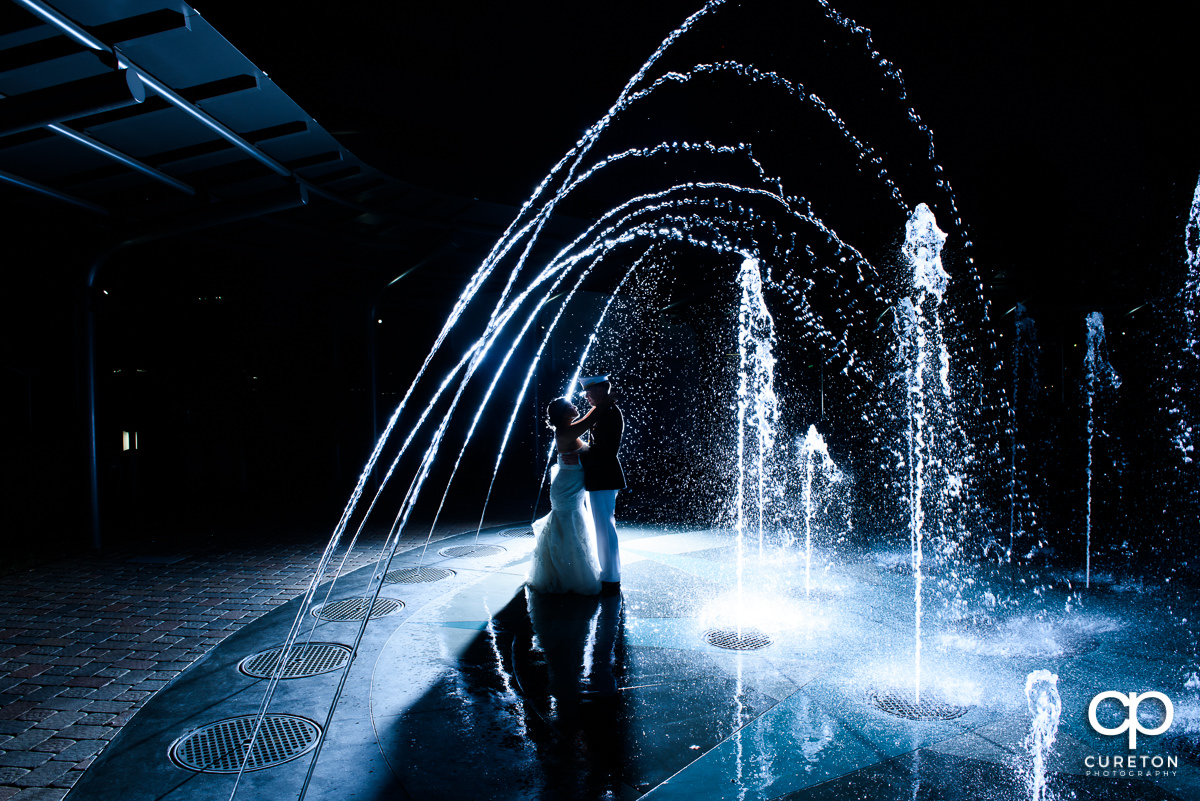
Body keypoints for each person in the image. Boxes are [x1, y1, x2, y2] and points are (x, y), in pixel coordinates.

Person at [527, 397, 602, 595]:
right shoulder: (566, 431)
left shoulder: (568, 430)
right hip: (566, 490)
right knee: (568, 527)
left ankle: (565, 569)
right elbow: (589, 420)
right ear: (562, 414)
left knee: (571, 526)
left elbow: (587, 445)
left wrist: (580, 456)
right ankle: (568, 574)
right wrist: (604, 400)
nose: (575, 406)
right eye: (570, 406)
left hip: (570, 488)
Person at [578, 376, 625, 596]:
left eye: (588, 392)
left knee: (604, 527)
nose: (586, 397)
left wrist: (579, 454)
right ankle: (608, 575)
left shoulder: (609, 413)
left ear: (599, 391)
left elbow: (606, 452)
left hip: (604, 475)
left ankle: (611, 578)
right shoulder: (603, 411)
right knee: (602, 526)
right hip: (600, 476)